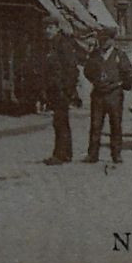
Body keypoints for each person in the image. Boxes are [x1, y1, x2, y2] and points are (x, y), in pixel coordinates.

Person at [83, 27, 132, 164]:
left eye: (106, 40)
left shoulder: (119, 55)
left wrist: (122, 84)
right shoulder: (94, 55)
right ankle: (92, 154)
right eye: (101, 40)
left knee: (116, 124)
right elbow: (87, 71)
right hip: (98, 94)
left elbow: (129, 73)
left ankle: (116, 154)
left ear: (112, 40)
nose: (103, 42)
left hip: (114, 95)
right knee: (95, 124)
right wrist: (95, 80)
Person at [41, 21, 79, 165]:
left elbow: (71, 68)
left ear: (57, 28)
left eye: (50, 27)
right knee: (60, 122)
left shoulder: (62, 44)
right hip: (55, 90)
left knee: (60, 121)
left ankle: (61, 154)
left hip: (61, 90)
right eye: (46, 27)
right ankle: (65, 154)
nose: (47, 30)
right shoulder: (52, 45)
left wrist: (67, 90)